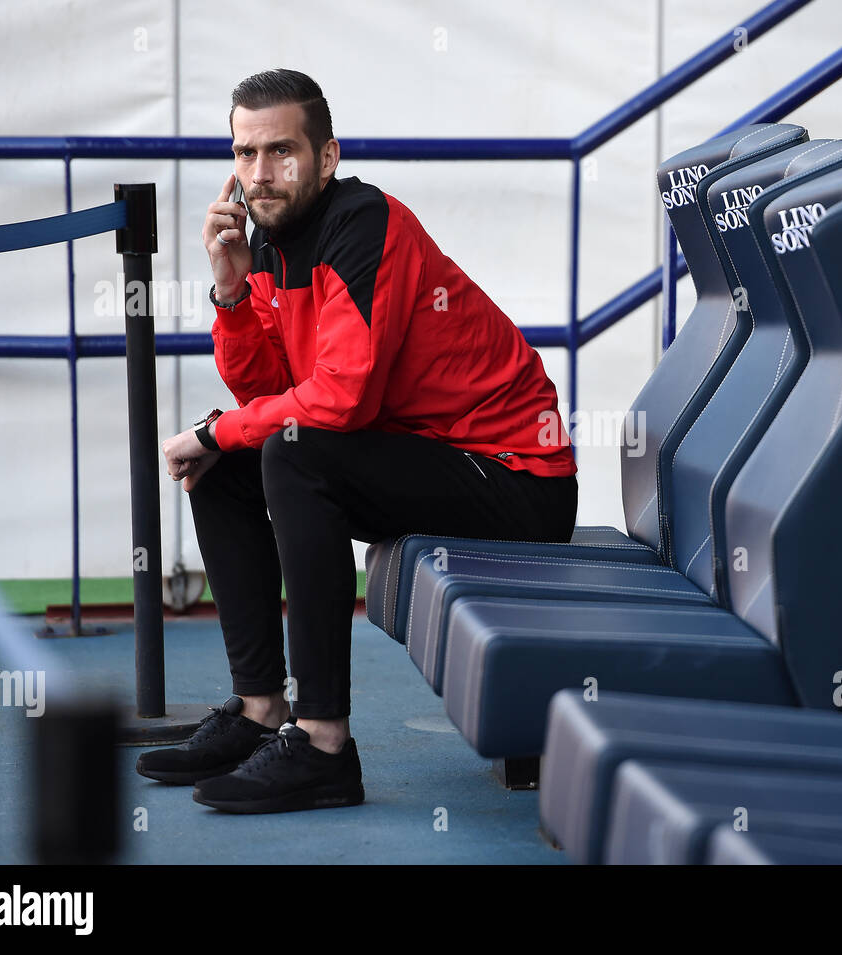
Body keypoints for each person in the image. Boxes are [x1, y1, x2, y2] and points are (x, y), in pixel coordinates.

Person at [136, 68, 577, 813]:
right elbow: (267, 395)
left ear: (327, 155)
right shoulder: (271, 241)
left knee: (289, 451)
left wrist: (215, 429)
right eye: (245, 154)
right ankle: (258, 711)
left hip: (513, 478)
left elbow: (338, 401)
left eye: (281, 151)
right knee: (232, 464)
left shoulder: (364, 226)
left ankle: (324, 742)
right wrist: (233, 292)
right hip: (422, 457)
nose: (260, 173)